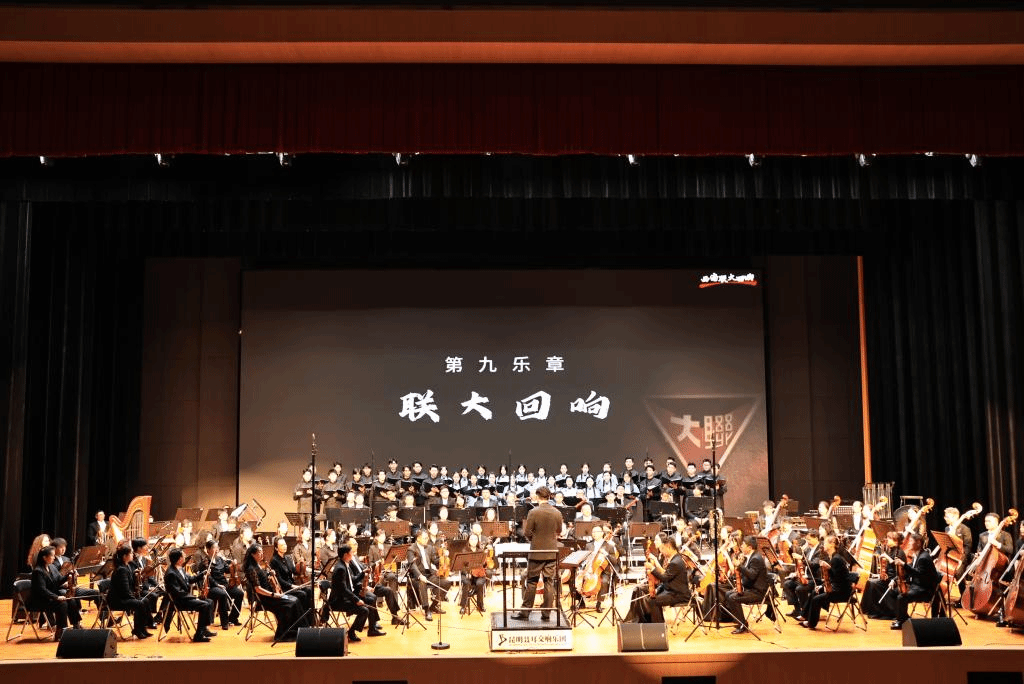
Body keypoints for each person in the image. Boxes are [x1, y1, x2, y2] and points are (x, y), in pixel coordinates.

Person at [512, 486, 563, 621]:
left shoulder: (533, 512)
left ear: (538, 497)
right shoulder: (557, 512)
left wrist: (535, 540)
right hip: (551, 551)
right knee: (549, 582)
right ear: (549, 497)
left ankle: (525, 612)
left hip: (536, 552)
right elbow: (559, 531)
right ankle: (546, 614)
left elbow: (527, 532)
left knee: (532, 582)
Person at [243, 544, 307, 641]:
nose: (262, 553)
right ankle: (284, 634)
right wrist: (273, 594)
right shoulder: (251, 569)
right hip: (265, 599)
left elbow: (263, 578)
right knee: (291, 603)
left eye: (262, 551)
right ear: (253, 554)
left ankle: (300, 630)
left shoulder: (258, 565)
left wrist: (269, 574)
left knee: (295, 599)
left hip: (271, 595)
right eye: (259, 552)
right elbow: (258, 589)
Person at [326, 544, 386, 641]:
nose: (352, 554)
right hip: (339, 601)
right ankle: (351, 632)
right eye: (351, 553)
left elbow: (352, 580)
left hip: (346, 596)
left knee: (371, 600)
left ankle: (372, 629)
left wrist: (363, 573)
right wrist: (356, 600)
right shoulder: (340, 568)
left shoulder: (345, 564)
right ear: (346, 555)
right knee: (364, 610)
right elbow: (343, 590)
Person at [633, 534, 691, 623]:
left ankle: (659, 625)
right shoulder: (675, 559)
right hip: (672, 591)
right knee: (651, 598)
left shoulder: (675, 562)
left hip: (678, 595)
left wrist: (652, 568)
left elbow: (664, 578)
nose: (662, 552)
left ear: (669, 547)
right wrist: (658, 589)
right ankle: (653, 622)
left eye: (663, 549)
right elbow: (667, 579)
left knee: (653, 601)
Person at [799, 534, 852, 629]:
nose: (823, 545)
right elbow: (833, 578)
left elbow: (838, 580)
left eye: (825, 543)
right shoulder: (833, 557)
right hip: (837, 588)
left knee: (816, 599)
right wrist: (822, 586)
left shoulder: (836, 559)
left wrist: (824, 586)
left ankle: (811, 623)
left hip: (841, 592)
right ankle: (805, 616)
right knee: (815, 592)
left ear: (832, 544)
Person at [28, 546, 81, 640]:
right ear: (44, 558)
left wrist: (69, 574)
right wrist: (56, 597)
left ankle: (76, 625)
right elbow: (42, 590)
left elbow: (57, 581)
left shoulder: (51, 567)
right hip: (40, 600)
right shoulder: (38, 571)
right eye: (52, 555)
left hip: (49, 598)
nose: (54, 557)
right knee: (62, 604)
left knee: (70, 600)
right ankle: (61, 631)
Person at [163, 548, 216, 641]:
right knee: (205, 605)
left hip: (185, 598)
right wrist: (194, 598)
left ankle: (203, 630)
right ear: (179, 559)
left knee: (210, 602)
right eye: (183, 556)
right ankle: (198, 635)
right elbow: (177, 593)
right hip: (179, 601)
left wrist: (202, 574)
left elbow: (190, 579)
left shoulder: (180, 568)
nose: (185, 557)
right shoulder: (171, 573)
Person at [721, 535, 771, 634]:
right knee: (728, 594)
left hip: (757, 592)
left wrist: (739, 566)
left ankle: (743, 625)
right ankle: (738, 620)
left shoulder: (756, 558)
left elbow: (751, 575)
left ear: (750, 547)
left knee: (732, 598)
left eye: (743, 545)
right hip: (751, 589)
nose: (741, 547)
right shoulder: (751, 556)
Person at [892, 532, 939, 629]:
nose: (908, 543)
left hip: (925, 590)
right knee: (895, 591)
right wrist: (895, 579)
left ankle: (902, 622)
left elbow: (918, 574)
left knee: (901, 597)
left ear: (918, 543)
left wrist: (903, 564)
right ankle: (903, 617)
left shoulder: (923, 557)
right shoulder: (917, 555)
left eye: (911, 541)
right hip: (917, 585)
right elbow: (909, 569)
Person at [107, 544, 153, 639]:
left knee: (145, 600)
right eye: (131, 553)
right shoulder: (121, 570)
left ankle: (142, 629)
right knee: (139, 603)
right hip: (117, 600)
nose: (133, 555)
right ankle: (137, 630)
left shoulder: (126, 566)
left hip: (123, 597)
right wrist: (135, 598)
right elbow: (124, 590)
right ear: (125, 556)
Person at [405, 528, 451, 620]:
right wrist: (420, 575)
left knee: (446, 582)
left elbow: (435, 561)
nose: (427, 540)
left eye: (427, 538)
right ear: (418, 538)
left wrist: (443, 556)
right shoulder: (411, 549)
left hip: (429, 574)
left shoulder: (429, 548)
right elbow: (412, 565)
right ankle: (426, 609)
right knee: (422, 583)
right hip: (416, 577)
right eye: (424, 538)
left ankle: (433, 606)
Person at [199, 539, 243, 629]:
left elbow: (227, 570)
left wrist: (233, 565)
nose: (217, 549)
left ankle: (233, 618)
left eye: (217, 547)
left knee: (239, 593)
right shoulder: (205, 562)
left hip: (224, 584)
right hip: (212, 587)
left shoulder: (220, 559)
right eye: (214, 547)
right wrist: (217, 585)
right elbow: (207, 577)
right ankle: (224, 622)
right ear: (208, 550)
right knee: (222, 594)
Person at [269, 537, 313, 614]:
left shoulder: (288, 558)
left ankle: (309, 616)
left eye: (285, 544)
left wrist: (301, 565)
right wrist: (292, 586)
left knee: (309, 590)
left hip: (292, 585)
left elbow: (294, 571)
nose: (285, 546)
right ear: (276, 548)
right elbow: (279, 579)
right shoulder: (274, 561)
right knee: (302, 594)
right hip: (284, 589)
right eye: (282, 545)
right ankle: (301, 616)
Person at [458, 533, 491, 615]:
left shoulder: (480, 551)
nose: (474, 541)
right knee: (466, 582)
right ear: (468, 541)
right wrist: (467, 573)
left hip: (478, 574)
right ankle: (463, 606)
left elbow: (484, 565)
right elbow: (462, 566)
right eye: (472, 539)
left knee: (480, 583)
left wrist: (486, 557)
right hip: (467, 574)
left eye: (475, 539)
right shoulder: (464, 551)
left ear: (478, 541)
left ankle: (480, 605)